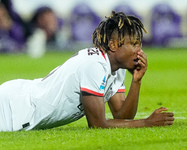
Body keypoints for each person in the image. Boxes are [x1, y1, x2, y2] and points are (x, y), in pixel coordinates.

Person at [0, 11, 174, 131]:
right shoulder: (95, 65)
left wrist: (136, 81)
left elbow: (122, 115)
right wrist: (146, 123)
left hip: (21, 102)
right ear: (113, 45)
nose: (139, 51)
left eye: (140, 45)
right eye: (134, 44)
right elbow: (97, 124)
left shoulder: (115, 68)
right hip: (14, 107)